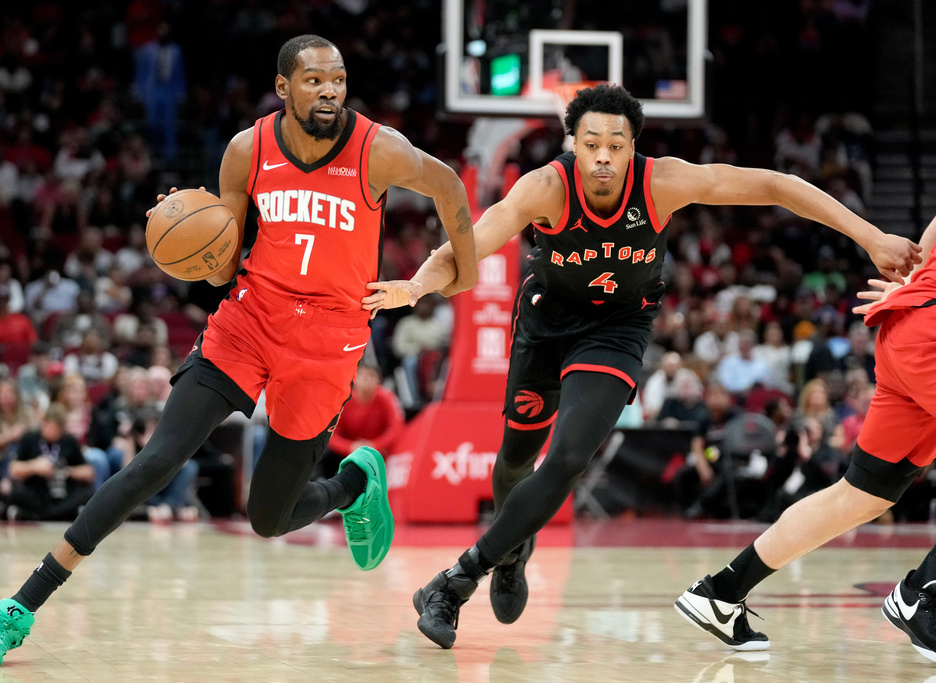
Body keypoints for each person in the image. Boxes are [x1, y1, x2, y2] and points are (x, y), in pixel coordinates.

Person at [0, 34, 477, 668]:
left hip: (328, 343)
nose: (330, 91)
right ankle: (16, 608)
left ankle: (352, 483)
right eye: (314, 80)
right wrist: (185, 228)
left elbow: (449, 186)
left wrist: (452, 277)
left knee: (267, 518)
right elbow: (220, 264)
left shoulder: (378, 150)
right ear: (283, 87)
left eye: (337, 79)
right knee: (157, 460)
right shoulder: (247, 151)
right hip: (249, 322)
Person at [362, 84, 921, 649]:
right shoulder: (546, 188)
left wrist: (869, 236)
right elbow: (468, 245)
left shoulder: (661, 183)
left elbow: (777, 186)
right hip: (546, 325)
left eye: (616, 144)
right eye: (591, 144)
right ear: (572, 145)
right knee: (514, 462)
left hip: (616, 329)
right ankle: (512, 552)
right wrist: (416, 286)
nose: (604, 156)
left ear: (633, 148)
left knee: (569, 458)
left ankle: (453, 583)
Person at [673, 211, 936, 662]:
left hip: (910, 325)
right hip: (925, 331)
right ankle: (921, 595)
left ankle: (721, 592)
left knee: (859, 496)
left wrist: (918, 284)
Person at [4, 404, 95, 522]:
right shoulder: (30, 437)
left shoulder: (69, 440)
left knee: (89, 494)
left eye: (58, 430)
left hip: (63, 493)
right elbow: (13, 469)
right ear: (44, 422)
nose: (54, 433)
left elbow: (89, 472)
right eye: (51, 428)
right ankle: (60, 515)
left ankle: (37, 515)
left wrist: (67, 471)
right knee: (16, 493)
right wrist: (34, 466)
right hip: (37, 493)